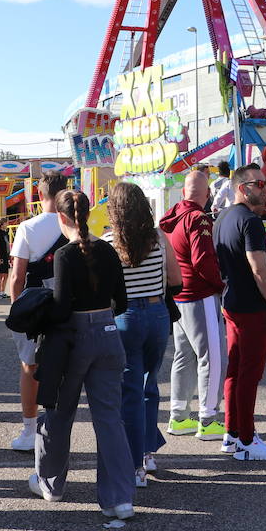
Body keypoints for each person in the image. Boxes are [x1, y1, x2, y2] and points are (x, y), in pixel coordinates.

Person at [29, 188, 135, 520]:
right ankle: (119, 499)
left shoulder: (64, 255)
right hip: (108, 335)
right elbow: (123, 301)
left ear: (61, 218)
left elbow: (60, 309)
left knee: (59, 412)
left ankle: (51, 484)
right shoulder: (108, 250)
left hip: (74, 339)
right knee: (109, 419)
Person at [104, 181, 182, 485]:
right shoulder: (159, 238)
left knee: (130, 390)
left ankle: (135, 465)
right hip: (158, 314)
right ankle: (149, 453)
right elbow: (176, 279)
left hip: (125, 317)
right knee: (151, 385)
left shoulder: (109, 242)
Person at [214, 163, 266, 461]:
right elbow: (260, 270)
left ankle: (233, 434)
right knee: (248, 374)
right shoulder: (250, 222)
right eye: (260, 184)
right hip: (250, 307)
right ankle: (245, 440)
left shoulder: (223, 218)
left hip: (232, 303)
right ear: (243, 188)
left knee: (235, 370)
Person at [161, 168, 227, 441]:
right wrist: (220, 285)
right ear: (207, 193)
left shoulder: (172, 217)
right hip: (200, 295)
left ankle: (178, 416)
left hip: (178, 295)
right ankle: (208, 418)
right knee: (212, 358)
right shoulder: (198, 218)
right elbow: (203, 261)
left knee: (183, 356)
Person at [8, 170, 70, 451]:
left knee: (29, 366)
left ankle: (30, 432)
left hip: (35, 302)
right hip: (68, 301)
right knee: (68, 366)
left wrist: (16, 310)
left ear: (39, 195)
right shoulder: (75, 224)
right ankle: (58, 427)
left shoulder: (28, 227)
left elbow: (17, 276)